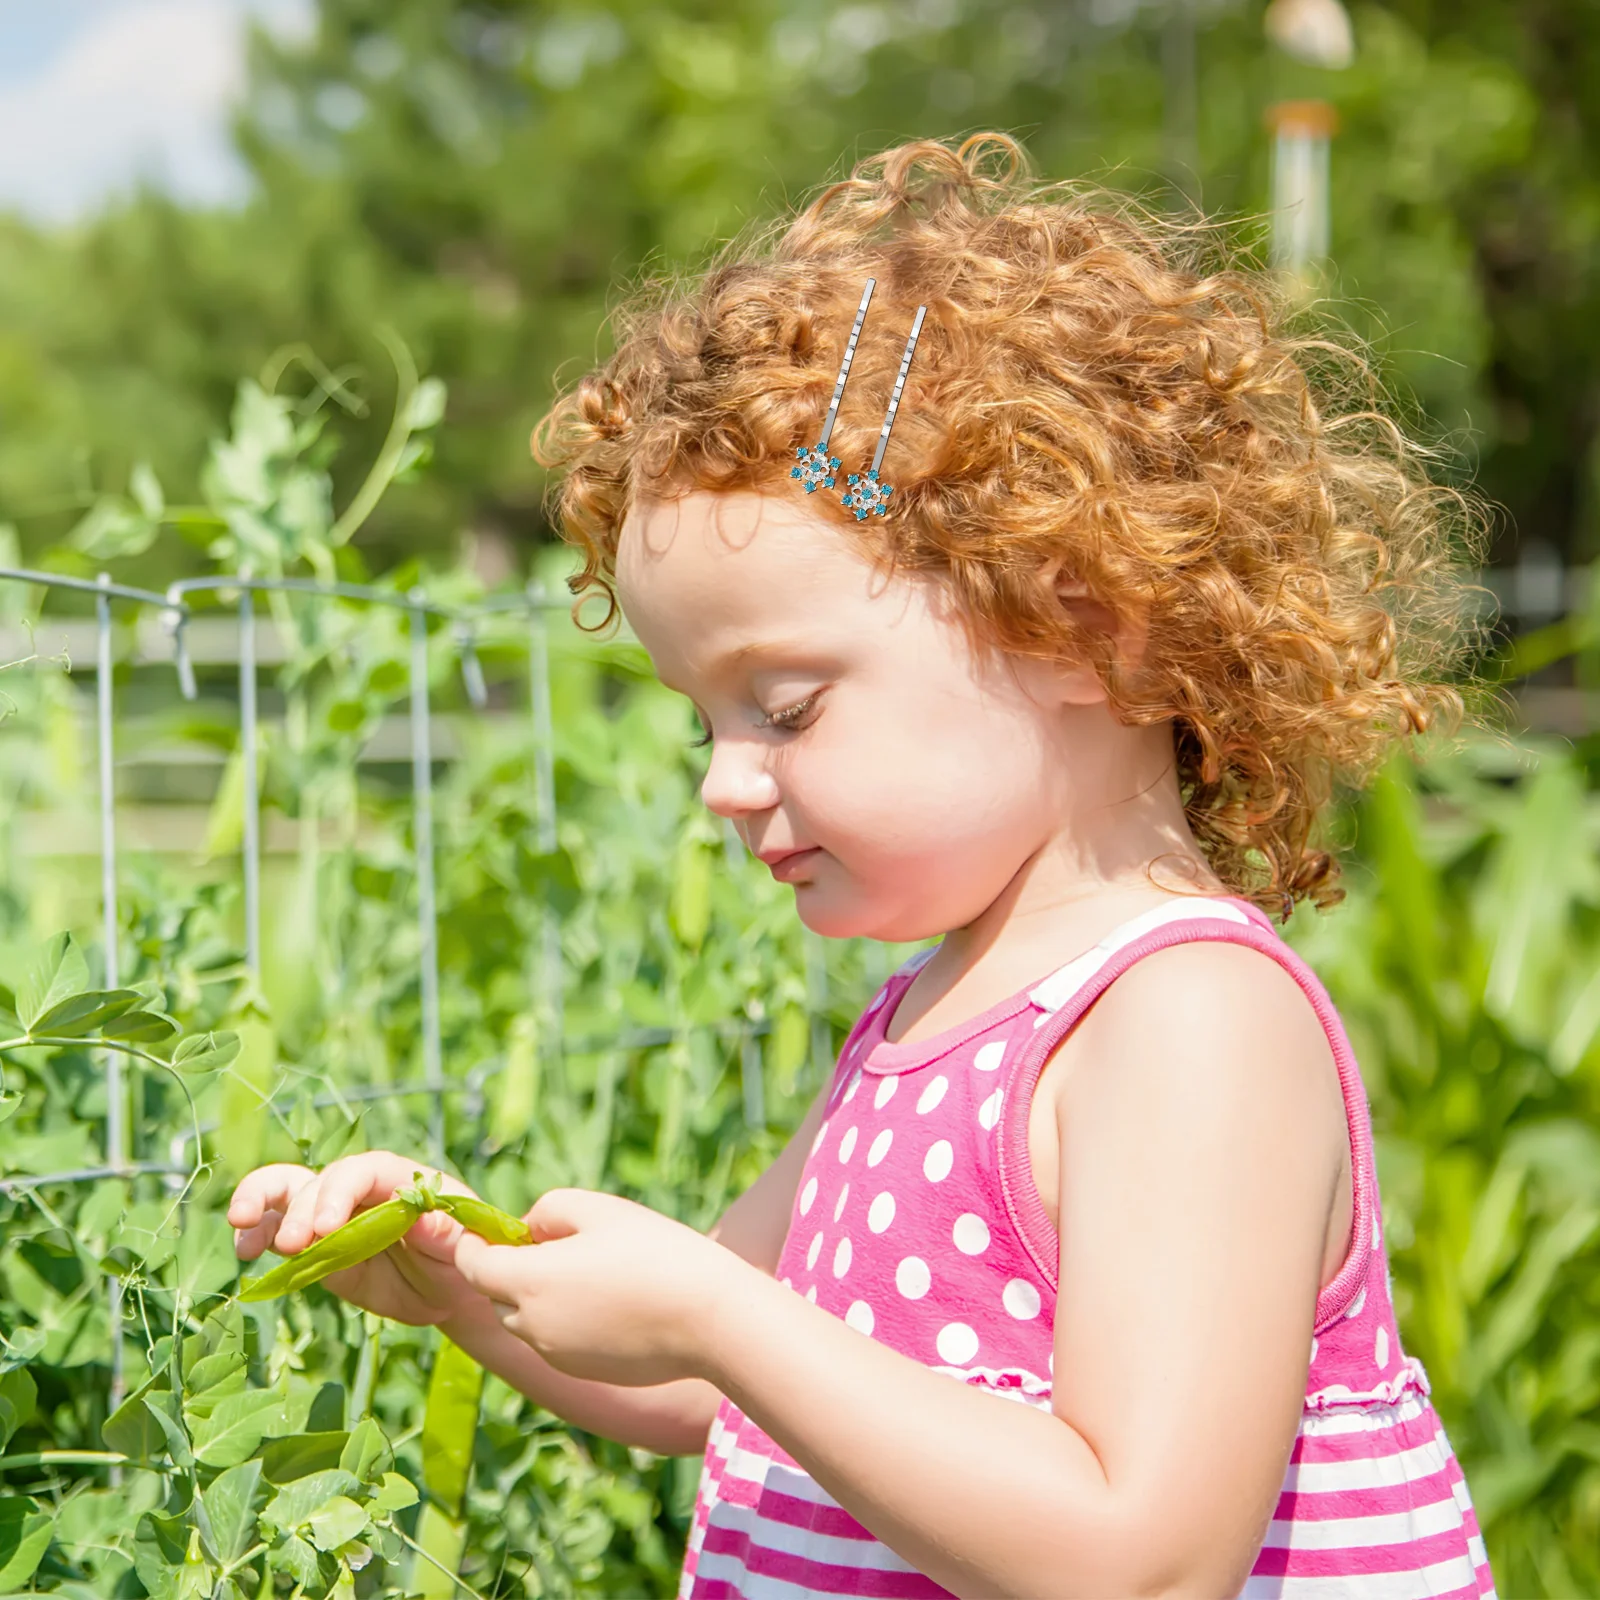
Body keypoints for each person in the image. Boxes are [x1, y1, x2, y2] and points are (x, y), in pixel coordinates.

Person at [229, 134, 1496, 1598]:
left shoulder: (1187, 1023)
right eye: (701, 720)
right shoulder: (920, 1020)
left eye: (787, 706)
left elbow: (1141, 1558)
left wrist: (719, 1316)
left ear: (1085, 626)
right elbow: (715, 1392)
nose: (723, 780)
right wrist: (466, 1286)